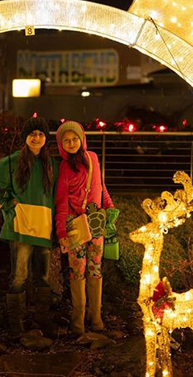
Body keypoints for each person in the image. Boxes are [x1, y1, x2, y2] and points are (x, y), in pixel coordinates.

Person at [0, 117, 58, 337]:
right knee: (19, 277)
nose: (36, 138)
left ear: (46, 138)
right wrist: (5, 205)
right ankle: (17, 324)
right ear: (25, 137)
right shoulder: (12, 161)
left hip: (44, 227)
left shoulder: (51, 165)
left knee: (43, 278)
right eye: (32, 133)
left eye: (41, 134)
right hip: (20, 227)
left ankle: (42, 319)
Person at [55, 120, 114, 335]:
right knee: (77, 271)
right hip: (75, 226)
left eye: (74, 139)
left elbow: (100, 184)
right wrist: (61, 231)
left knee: (95, 269)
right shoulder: (64, 167)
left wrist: (109, 205)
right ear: (61, 145)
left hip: (96, 222)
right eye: (66, 140)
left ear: (82, 139)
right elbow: (61, 202)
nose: (71, 143)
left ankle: (95, 316)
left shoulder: (93, 158)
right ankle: (78, 320)